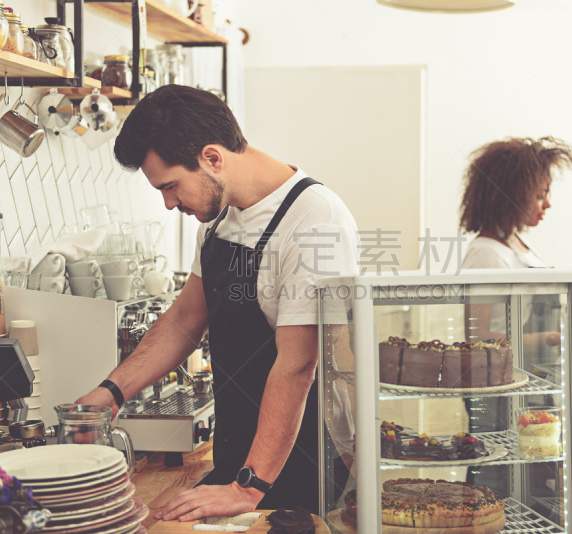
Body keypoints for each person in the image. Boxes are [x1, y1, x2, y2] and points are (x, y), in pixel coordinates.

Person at [75, 85, 359, 521]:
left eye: (171, 186)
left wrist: (249, 488)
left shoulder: (314, 219)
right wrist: (112, 392)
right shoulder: (219, 217)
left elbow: (298, 365)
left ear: (212, 158)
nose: (169, 203)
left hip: (297, 467)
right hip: (239, 458)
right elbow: (185, 319)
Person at [458, 136, 572, 349]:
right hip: (507, 373)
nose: (548, 204)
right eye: (540, 196)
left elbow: (537, 324)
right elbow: (477, 337)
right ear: (513, 195)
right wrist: (553, 339)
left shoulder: (513, 243)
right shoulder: (485, 253)